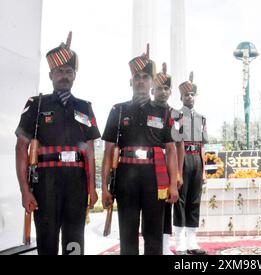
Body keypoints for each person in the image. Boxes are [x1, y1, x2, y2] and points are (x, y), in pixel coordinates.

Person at [15, 32, 100, 255]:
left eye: (69, 71)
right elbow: (21, 148)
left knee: (75, 242)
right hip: (45, 183)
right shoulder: (36, 105)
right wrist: (25, 191)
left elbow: (89, 150)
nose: (64, 75)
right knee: (47, 241)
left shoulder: (85, 107)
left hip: (76, 183)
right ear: (51, 75)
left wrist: (91, 188)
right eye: (59, 71)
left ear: (75, 76)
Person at [101, 44, 179, 255]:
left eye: (145, 77)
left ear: (152, 83)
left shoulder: (164, 112)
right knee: (127, 234)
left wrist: (173, 184)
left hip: (155, 178)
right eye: (137, 77)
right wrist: (104, 186)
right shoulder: (118, 111)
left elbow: (171, 150)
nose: (141, 81)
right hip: (126, 178)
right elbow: (108, 151)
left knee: (154, 234)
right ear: (131, 82)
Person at [173, 72, 209, 255]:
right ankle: (179, 242)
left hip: (196, 160)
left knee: (194, 200)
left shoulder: (202, 118)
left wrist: (203, 171)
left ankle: (192, 242)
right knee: (180, 199)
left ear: (196, 96)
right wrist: (176, 170)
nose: (190, 97)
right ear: (181, 97)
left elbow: (202, 145)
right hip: (182, 158)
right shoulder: (176, 115)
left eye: (192, 94)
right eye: (186, 94)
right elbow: (173, 142)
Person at [151, 63, 185, 255]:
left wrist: (178, 172)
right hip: (149, 166)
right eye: (159, 89)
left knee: (166, 207)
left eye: (166, 88)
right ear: (152, 90)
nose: (162, 92)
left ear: (170, 91)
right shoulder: (147, 110)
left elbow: (179, 145)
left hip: (168, 165)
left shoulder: (178, 115)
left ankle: (164, 246)